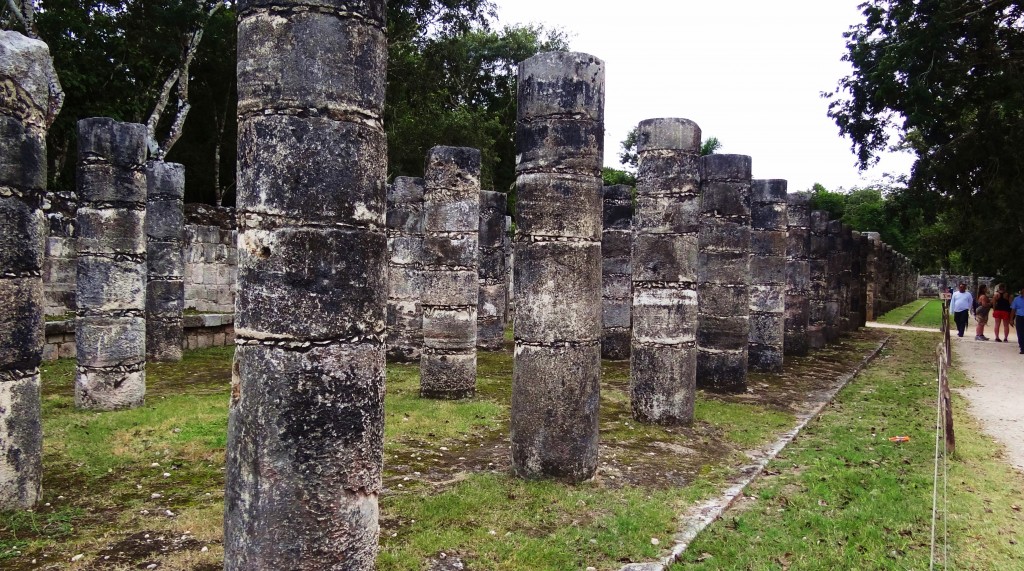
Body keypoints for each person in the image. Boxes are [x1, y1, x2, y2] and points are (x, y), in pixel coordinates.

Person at [1011, 286, 1024, 354]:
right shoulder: (1017, 299)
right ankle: (1022, 348)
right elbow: (1013, 309)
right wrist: (1011, 319)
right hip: (1020, 317)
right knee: (1020, 333)